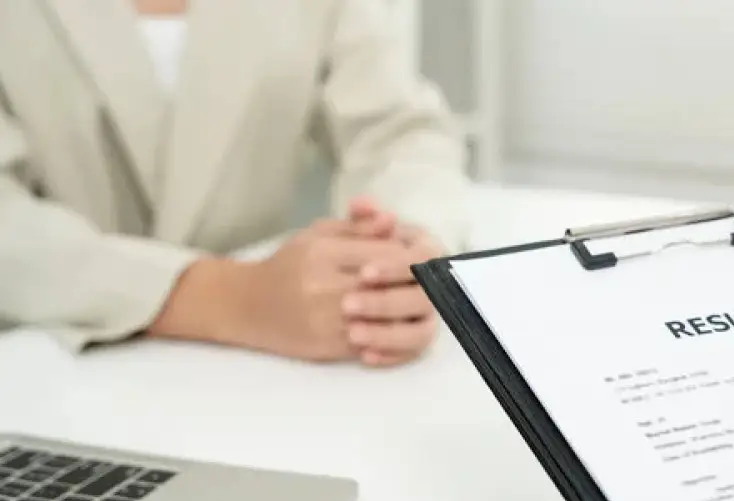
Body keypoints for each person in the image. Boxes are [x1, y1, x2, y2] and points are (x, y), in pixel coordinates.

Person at [0, 0, 470, 366]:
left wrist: (399, 255)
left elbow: (400, 133)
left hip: (253, 376)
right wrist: (229, 298)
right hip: (43, 365)